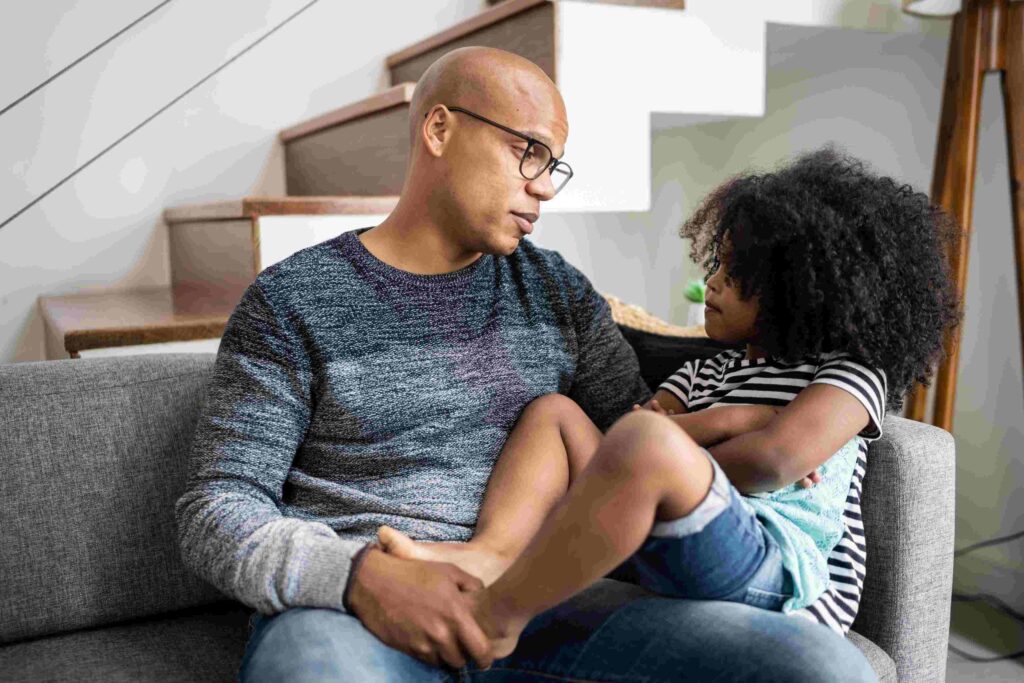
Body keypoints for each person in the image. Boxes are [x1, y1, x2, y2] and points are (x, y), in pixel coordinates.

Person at [175, 43, 883, 680]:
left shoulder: (557, 294)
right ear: (440, 129)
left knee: (818, 664)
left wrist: (775, 413)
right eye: (529, 152)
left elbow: (634, 447)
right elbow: (216, 509)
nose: (544, 186)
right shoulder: (293, 301)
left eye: (554, 166)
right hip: (359, 613)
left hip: (549, 604)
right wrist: (359, 576)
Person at [375, 147, 962, 658]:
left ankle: (498, 620)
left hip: (778, 570)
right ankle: (489, 552)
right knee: (555, 413)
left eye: (737, 274)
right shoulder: (707, 369)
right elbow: (631, 438)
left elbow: (771, 464)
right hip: (672, 534)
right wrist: (729, 421)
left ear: (805, 289)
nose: (713, 284)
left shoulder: (849, 375)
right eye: (716, 265)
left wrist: (684, 444)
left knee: (647, 446)